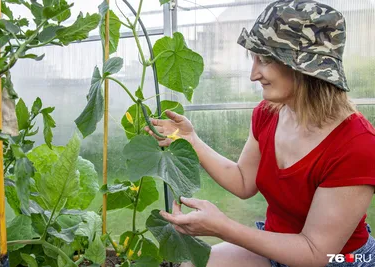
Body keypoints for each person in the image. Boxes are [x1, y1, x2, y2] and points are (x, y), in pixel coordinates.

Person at [144, 0, 375, 266]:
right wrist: (191, 140)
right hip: (275, 244)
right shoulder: (269, 113)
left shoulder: (357, 145)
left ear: (303, 67)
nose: (254, 75)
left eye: (264, 60)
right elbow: (243, 181)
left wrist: (223, 227)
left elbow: (314, 252)